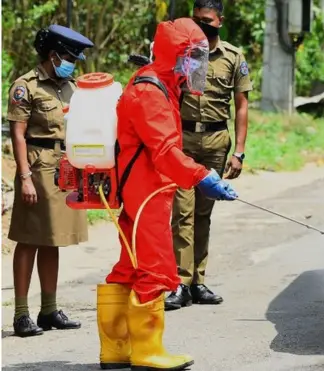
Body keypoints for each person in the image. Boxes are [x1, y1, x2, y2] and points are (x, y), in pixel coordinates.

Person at [95, 18, 238, 370]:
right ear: (176, 55)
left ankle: (115, 349)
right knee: (157, 268)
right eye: (193, 57)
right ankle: (147, 350)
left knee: (130, 265)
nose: (198, 66)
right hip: (146, 193)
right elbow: (164, 151)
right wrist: (202, 175)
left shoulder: (158, 83)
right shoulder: (150, 91)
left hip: (144, 189)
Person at [6, 25, 94, 338]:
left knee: (53, 238)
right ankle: (21, 314)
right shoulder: (25, 85)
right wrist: (25, 177)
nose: (73, 62)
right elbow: (18, 132)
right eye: (69, 56)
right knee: (29, 237)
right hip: (37, 165)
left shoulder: (70, 86)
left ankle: (49, 309)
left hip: (66, 166)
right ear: (53, 55)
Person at [166, 0, 253, 311]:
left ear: (220, 21)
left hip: (216, 140)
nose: (202, 24)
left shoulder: (233, 56)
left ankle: (197, 282)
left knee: (203, 214)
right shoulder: (185, 54)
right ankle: (179, 281)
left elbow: (241, 105)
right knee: (182, 213)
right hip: (184, 139)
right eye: (197, 19)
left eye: (208, 20)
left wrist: (239, 152)